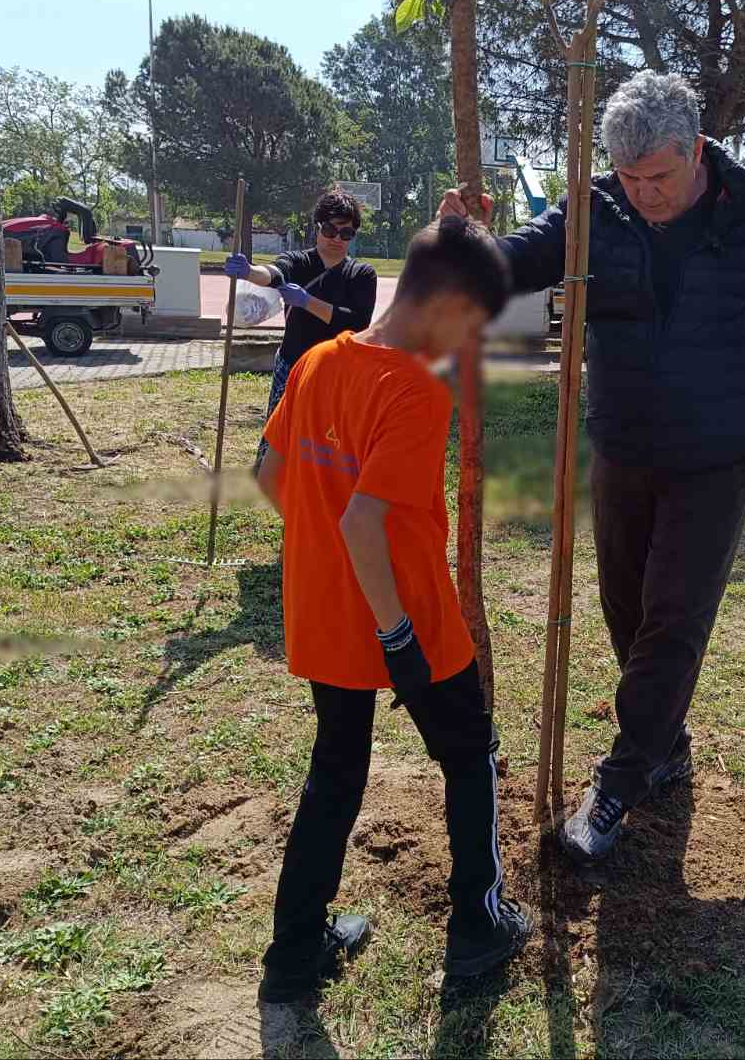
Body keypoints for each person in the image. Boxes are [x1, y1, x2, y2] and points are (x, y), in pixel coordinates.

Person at [439, 71, 745, 862]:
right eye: (630, 176)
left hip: (720, 450)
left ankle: (620, 780)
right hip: (622, 440)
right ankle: (665, 736)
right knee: (626, 606)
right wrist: (465, 246)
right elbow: (521, 262)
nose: (645, 192)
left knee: (674, 615)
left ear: (695, 150)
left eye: (658, 175)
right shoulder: (598, 207)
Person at [253, 215, 531, 1004]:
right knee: (469, 750)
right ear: (445, 306)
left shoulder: (314, 364)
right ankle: (479, 923)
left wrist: (333, 574)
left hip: (325, 616)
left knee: (335, 775)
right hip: (407, 617)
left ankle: (294, 956)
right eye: (470, 325)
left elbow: (273, 479)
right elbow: (363, 522)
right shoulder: (414, 388)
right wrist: (398, 634)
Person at [226, 190, 379, 467]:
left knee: (327, 438)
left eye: (346, 234)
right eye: (330, 229)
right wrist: (249, 271)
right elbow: (275, 273)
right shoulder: (299, 261)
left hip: (337, 371)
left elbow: (357, 322)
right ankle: (271, 478)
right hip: (292, 364)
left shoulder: (362, 274)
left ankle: (315, 483)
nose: (336, 239)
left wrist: (308, 302)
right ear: (317, 227)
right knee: (279, 428)